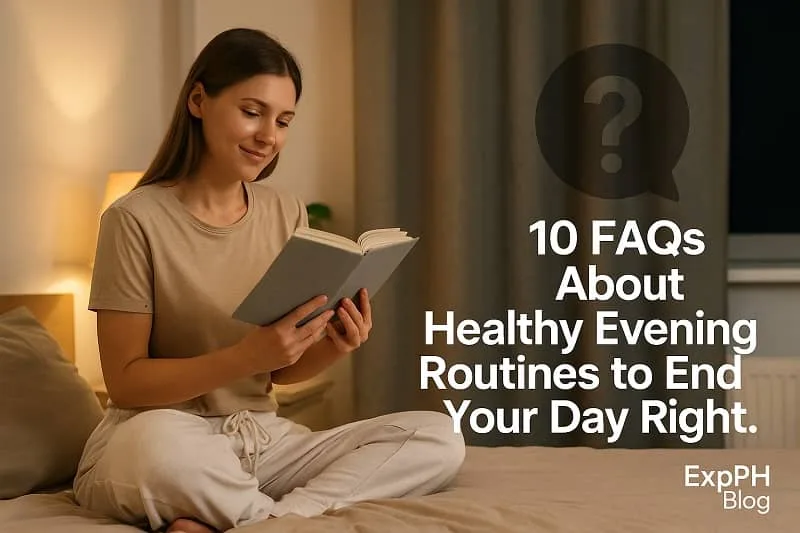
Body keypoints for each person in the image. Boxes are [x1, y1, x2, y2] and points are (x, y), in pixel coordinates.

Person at [73, 28, 465, 533]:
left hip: (259, 440)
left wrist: (334, 346)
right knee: (157, 449)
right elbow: (126, 381)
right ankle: (263, 518)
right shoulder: (134, 218)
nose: (269, 136)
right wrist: (244, 358)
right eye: (252, 112)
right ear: (198, 100)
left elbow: (279, 372)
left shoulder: (284, 210)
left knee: (437, 436)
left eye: (283, 121)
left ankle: (268, 520)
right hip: (160, 435)